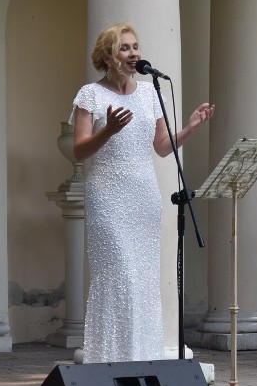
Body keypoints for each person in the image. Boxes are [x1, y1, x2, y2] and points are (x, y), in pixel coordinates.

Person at [71, 23, 215, 363]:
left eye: (136, 46)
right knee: (118, 273)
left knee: (143, 279)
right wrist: (108, 130)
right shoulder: (90, 94)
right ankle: (109, 360)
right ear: (108, 56)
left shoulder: (151, 93)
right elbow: (78, 151)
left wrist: (190, 128)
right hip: (107, 195)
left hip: (143, 195)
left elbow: (163, 148)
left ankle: (142, 358)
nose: (134, 53)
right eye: (125, 48)